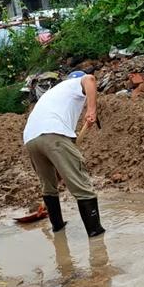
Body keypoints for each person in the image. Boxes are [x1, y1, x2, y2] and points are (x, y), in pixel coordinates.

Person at [22, 72, 104, 237]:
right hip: (53, 134)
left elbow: (63, 147)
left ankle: (58, 228)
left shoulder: (54, 96)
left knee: (49, 186)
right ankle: (96, 235)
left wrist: (60, 168)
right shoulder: (73, 84)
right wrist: (92, 109)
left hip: (31, 138)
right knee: (83, 187)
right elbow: (90, 79)